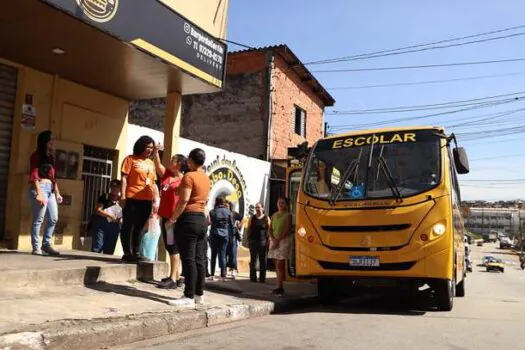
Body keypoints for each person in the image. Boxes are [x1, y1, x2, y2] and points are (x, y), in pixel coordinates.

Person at [166, 148, 210, 307]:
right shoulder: (206, 178)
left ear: (190, 160)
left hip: (189, 219)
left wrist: (172, 219)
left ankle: (188, 296)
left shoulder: (188, 176)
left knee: (189, 259)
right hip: (201, 220)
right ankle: (199, 294)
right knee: (199, 259)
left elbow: (183, 201)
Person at [120, 136, 159, 263]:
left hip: (147, 199)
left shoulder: (151, 163)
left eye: (152, 148)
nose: (149, 150)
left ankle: (136, 252)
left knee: (140, 227)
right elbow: (124, 178)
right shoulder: (130, 159)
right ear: (141, 146)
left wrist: (155, 200)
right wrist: (123, 196)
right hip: (132, 197)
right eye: (148, 147)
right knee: (128, 226)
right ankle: (127, 253)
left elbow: (153, 184)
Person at [153, 145, 187, 289]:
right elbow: (158, 165)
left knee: (173, 247)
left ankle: (173, 279)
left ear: (178, 164)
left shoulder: (184, 180)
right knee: (169, 246)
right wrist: (155, 152)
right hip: (165, 217)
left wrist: (173, 219)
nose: (170, 161)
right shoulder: (168, 175)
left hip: (174, 219)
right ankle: (177, 276)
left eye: (173, 160)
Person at [29, 130, 63, 256]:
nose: (53, 142)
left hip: (51, 190)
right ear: (44, 141)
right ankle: (36, 247)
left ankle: (46, 244)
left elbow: (53, 178)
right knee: (39, 219)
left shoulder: (50, 158)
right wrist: (39, 193)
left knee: (53, 218)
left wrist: (57, 193)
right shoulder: (36, 156)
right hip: (40, 188)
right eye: (51, 140)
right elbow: (34, 175)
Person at [90, 179, 122, 254]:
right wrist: (110, 216)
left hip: (114, 226)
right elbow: (98, 210)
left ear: (120, 188)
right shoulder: (105, 196)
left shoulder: (122, 200)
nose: (114, 188)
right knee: (98, 247)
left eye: (116, 186)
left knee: (110, 250)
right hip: (101, 225)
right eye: (112, 186)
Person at [268, 197, 292, 296]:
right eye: (279, 203)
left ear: (286, 204)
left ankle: (280, 287)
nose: (281, 205)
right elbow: (270, 228)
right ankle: (278, 285)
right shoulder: (274, 215)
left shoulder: (288, 215)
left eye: (283, 203)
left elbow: (287, 229)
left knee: (280, 264)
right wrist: (273, 239)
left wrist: (278, 240)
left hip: (283, 241)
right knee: (275, 263)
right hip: (274, 241)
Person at [209, 197, 234, 281]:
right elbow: (232, 225)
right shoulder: (228, 212)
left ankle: (212, 275)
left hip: (214, 234)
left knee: (213, 255)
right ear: (223, 203)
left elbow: (210, 222)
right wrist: (232, 235)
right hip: (225, 235)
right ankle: (223, 276)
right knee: (222, 255)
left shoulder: (212, 212)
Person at [246, 202, 270, 283]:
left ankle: (262, 278)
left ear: (263, 208)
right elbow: (249, 229)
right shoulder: (252, 218)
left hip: (263, 242)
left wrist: (268, 241)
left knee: (263, 260)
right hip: (253, 241)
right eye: (256, 207)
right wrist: (248, 240)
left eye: (259, 207)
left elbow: (270, 230)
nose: (257, 209)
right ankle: (253, 278)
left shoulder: (266, 218)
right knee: (253, 260)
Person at [226, 201, 243, 280]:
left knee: (233, 254)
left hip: (233, 236)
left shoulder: (234, 213)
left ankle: (233, 271)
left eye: (227, 206)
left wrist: (239, 225)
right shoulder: (222, 214)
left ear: (230, 206)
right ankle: (224, 271)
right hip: (224, 236)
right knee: (224, 255)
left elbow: (242, 218)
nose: (226, 207)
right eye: (225, 206)